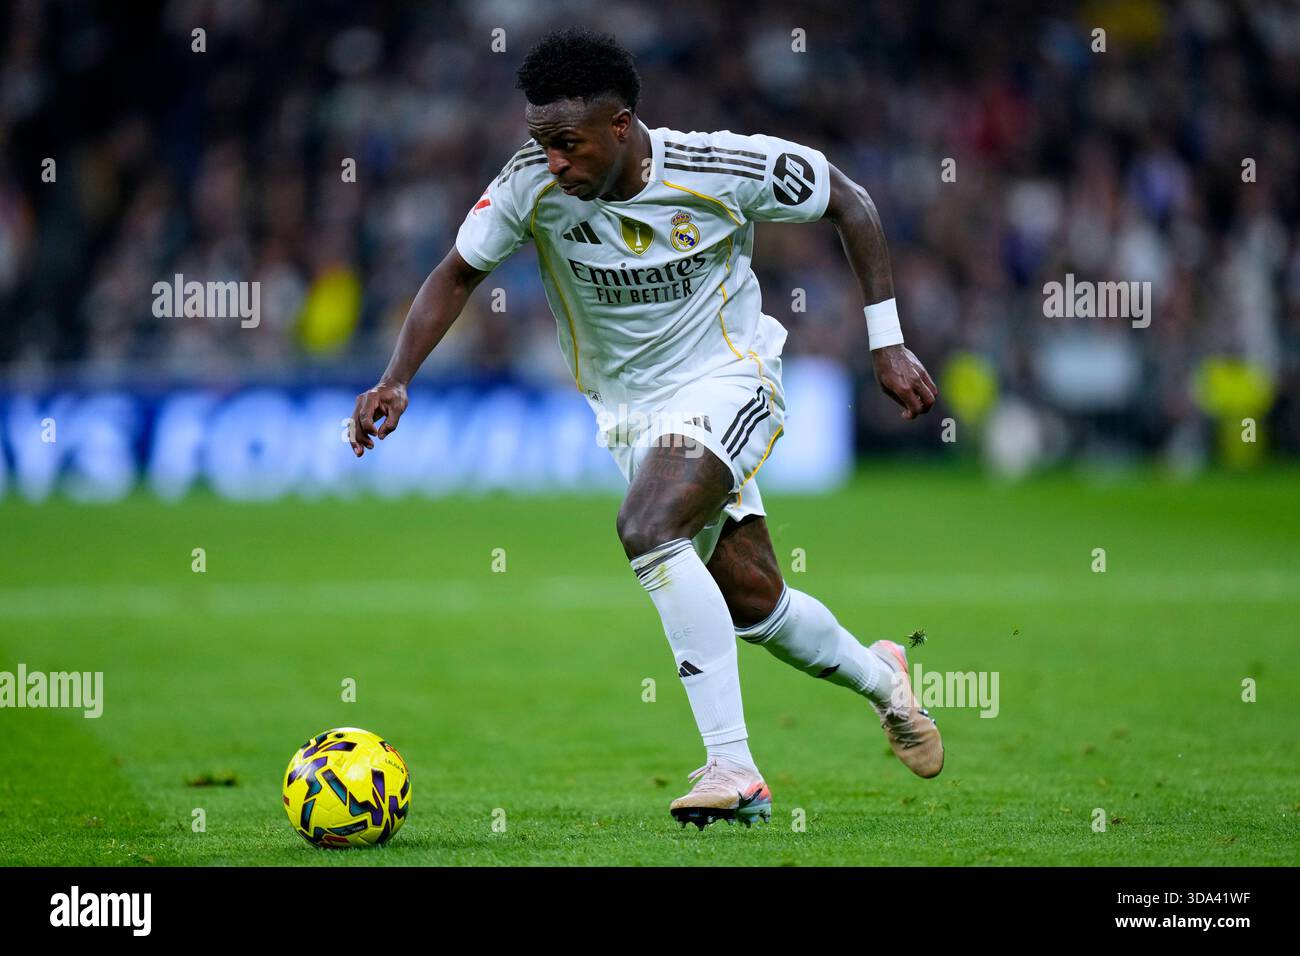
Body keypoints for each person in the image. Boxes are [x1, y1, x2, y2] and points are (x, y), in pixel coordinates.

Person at [350, 28, 943, 829]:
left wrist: (887, 340)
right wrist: (396, 377)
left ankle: (734, 768)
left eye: (568, 143)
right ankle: (885, 682)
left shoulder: (723, 168)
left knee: (647, 527)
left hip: (732, 379)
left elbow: (852, 201)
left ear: (621, 125)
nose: (554, 161)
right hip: (632, 416)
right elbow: (456, 273)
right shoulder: (529, 184)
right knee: (756, 605)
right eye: (541, 143)